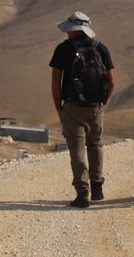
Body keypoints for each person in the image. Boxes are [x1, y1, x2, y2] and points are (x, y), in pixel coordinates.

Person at [49, 11, 116, 209]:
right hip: (95, 106)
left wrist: (59, 107)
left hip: (72, 106)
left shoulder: (63, 49)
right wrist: (103, 101)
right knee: (95, 144)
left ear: (71, 29)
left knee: (76, 149)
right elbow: (112, 80)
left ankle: (82, 193)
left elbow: (55, 81)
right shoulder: (101, 48)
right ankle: (97, 187)